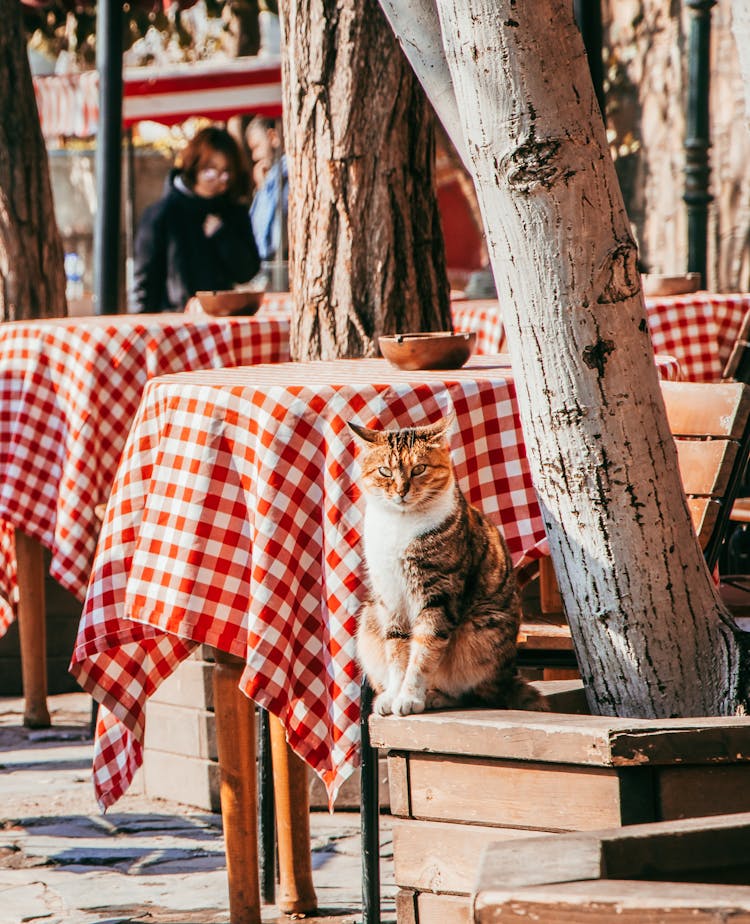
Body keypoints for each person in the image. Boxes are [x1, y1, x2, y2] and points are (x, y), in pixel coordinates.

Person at [131, 126, 261, 313]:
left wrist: (223, 236)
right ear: (195, 166)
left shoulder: (233, 212)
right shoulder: (162, 214)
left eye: (226, 172)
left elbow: (247, 271)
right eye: (211, 170)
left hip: (221, 321)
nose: (219, 180)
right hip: (175, 324)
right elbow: (143, 285)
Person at [246, 116, 288, 264]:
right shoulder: (270, 178)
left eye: (256, 147)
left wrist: (264, 190)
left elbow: (264, 238)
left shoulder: (285, 174)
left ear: (273, 137)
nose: (254, 156)